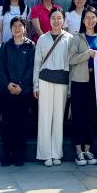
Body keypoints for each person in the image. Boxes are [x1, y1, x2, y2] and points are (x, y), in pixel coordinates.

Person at [33, 9, 73, 167]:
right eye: (53, 18)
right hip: (45, 80)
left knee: (58, 118)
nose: (56, 21)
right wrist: (36, 85)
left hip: (62, 81)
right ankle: (45, 154)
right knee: (44, 117)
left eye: (59, 18)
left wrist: (70, 87)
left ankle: (56, 153)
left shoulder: (69, 38)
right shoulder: (42, 38)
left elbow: (71, 64)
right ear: (49, 20)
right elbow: (37, 63)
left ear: (63, 20)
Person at [0, 16, 34, 167]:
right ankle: (8, 153)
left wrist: (22, 86)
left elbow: (31, 68)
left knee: (21, 123)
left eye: (20, 26)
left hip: (23, 92)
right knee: (7, 123)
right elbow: (0, 68)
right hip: (7, 92)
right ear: (10, 29)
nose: (17, 28)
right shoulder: (6, 46)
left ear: (25, 28)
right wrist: (7, 84)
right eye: (14, 26)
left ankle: (19, 154)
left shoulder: (30, 46)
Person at [68, 7, 97, 166]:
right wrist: (87, 53)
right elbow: (71, 59)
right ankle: (78, 150)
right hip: (79, 81)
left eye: (93, 17)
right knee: (78, 116)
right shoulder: (77, 37)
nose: (90, 20)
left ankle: (88, 149)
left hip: (95, 81)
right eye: (87, 17)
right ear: (83, 20)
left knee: (91, 116)